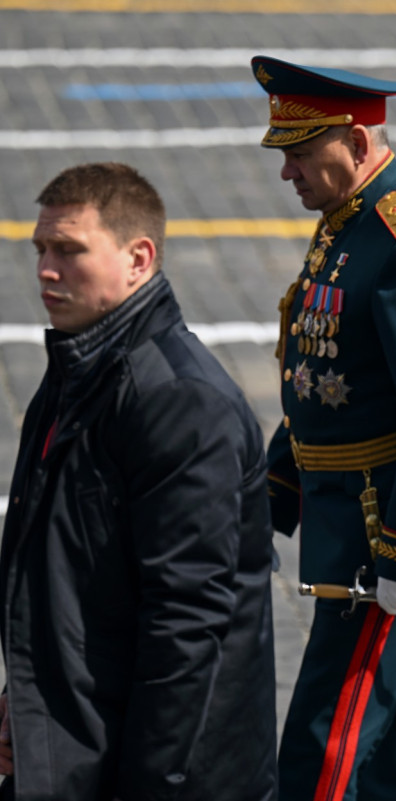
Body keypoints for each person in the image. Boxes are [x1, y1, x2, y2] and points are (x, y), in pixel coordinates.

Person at [0, 163, 277, 800]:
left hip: (155, 770)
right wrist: (25, 696)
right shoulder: (78, 364)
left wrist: (149, 783)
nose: (45, 269)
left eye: (69, 251)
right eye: (41, 249)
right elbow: (60, 572)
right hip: (77, 737)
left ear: (138, 258)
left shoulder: (179, 402)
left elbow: (187, 622)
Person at [250, 56, 396, 800]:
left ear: (352, 141)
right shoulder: (346, 220)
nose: (287, 172)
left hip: (384, 538)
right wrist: (271, 496)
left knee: (325, 734)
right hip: (346, 519)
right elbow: (323, 378)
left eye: (299, 153)